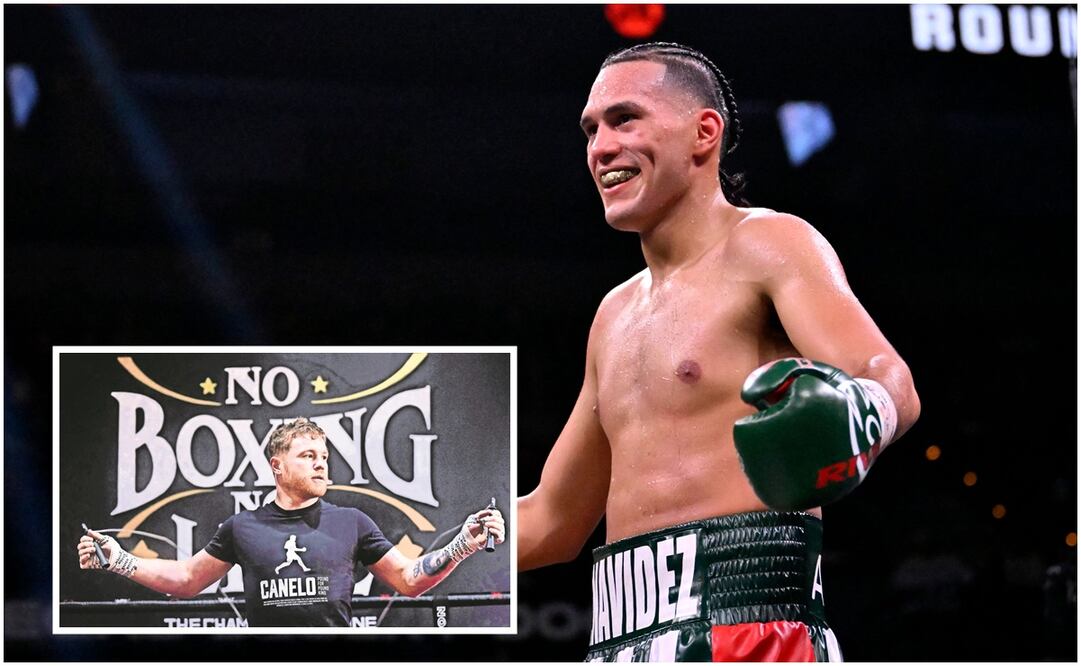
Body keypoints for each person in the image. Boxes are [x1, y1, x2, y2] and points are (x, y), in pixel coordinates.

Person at [518, 42, 920, 662]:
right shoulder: (614, 314)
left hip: (748, 630)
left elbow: (886, 375)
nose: (599, 147)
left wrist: (860, 410)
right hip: (619, 641)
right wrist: (384, 544)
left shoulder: (767, 243)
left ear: (704, 133)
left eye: (625, 119)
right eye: (591, 130)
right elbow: (551, 520)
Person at [77, 417, 505, 627]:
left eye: (324, 457)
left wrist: (464, 542)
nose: (321, 465)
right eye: (308, 456)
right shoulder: (241, 527)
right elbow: (187, 578)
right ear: (276, 466)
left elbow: (410, 579)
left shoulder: (352, 521)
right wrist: (118, 560)